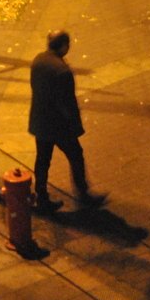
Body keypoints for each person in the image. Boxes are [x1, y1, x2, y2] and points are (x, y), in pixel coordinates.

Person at [29, 30, 105, 213]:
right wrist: (76, 126)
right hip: (58, 126)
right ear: (63, 46)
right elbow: (67, 103)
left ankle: (41, 196)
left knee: (42, 160)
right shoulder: (62, 71)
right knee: (76, 155)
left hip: (40, 121)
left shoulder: (38, 60)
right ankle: (83, 193)